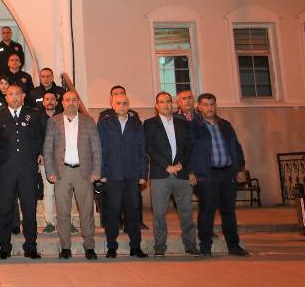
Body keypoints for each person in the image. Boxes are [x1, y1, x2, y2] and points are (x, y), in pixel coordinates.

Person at [189, 93, 250, 257]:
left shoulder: (225, 125)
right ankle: (205, 246)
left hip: (228, 173)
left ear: (216, 106)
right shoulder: (194, 127)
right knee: (206, 211)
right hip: (207, 175)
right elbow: (187, 152)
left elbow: (237, 148)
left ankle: (234, 245)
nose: (209, 108)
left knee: (229, 211)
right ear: (199, 107)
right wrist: (190, 172)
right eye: (205, 105)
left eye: (212, 104)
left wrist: (241, 169)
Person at [44, 91, 101, 260]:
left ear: (78, 102)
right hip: (62, 173)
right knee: (63, 212)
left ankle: (89, 247)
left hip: (84, 173)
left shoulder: (88, 121)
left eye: (74, 100)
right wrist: (50, 171)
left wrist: (96, 171)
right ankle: (65, 247)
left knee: (87, 212)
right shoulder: (53, 122)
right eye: (67, 100)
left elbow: (97, 149)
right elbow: (48, 149)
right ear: (62, 102)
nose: (71, 103)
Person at [143, 91, 199, 257]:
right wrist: (166, 165)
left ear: (173, 103)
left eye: (168, 101)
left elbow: (189, 147)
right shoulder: (149, 124)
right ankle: (160, 246)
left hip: (182, 174)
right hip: (161, 174)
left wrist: (181, 164)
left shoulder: (182, 123)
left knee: (187, 212)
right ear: (156, 105)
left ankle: (190, 245)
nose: (166, 104)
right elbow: (149, 147)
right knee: (159, 213)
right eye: (162, 102)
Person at [0, 85, 43, 259]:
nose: (14, 97)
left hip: (28, 170)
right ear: (6, 97)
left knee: (29, 209)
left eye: (17, 94)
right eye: (10, 94)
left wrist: (39, 153)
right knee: (5, 209)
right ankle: (4, 247)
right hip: (6, 170)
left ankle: (31, 246)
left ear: (23, 96)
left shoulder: (34, 114)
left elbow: (39, 138)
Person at [98, 94, 148, 258]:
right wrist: (102, 173)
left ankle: (136, 247)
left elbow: (142, 150)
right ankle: (112, 247)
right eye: (118, 103)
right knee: (112, 212)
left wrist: (143, 173)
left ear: (129, 105)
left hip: (132, 176)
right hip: (112, 175)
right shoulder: (105, 124)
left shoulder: (136, 124)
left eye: (125, 103)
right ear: (112, 105)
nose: (121, 105)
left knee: (133, 212)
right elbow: (100, 149)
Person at [38, 90, 58, 233]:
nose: (50, 101)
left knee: (65, 192)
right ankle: (50, 222)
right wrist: (40, 154)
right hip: (46, 159)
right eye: (47, 99)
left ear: (56, 102)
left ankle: (67, 221)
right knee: (49, 191)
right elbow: (36, 138)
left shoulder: (64, 117)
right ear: (43, 102)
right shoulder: (38, 118)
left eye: (52, 99)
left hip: (63, 159)